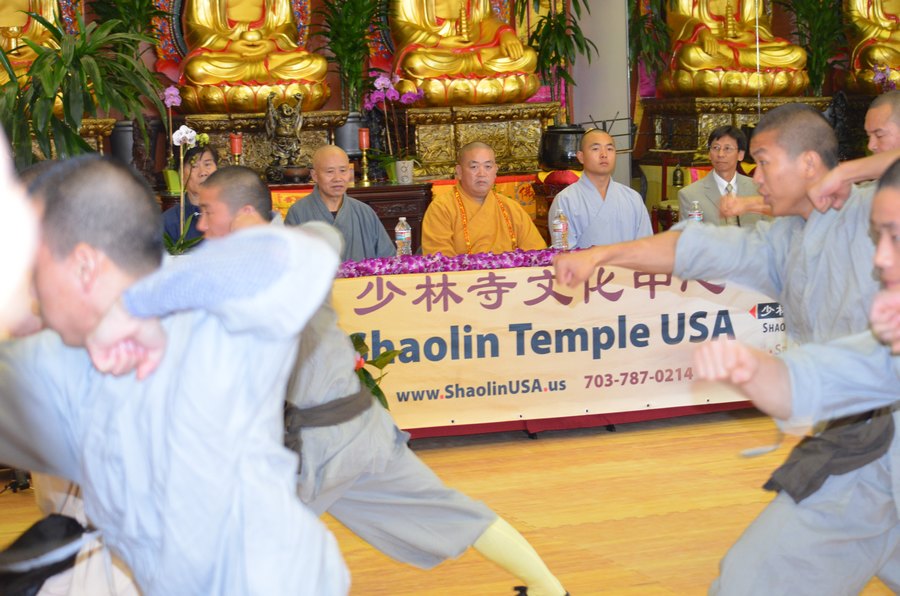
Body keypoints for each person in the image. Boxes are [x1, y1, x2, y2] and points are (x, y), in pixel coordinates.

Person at [554, 103, 886, 594]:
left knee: (755, 580)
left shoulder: (871, 210)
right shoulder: (783, 239)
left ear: (811, 165)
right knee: (752, 578)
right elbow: (698, 247)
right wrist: (603, 255)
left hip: (874, 428)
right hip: (861, 441)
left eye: (765, 161)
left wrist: (854, 170)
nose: (757, 176)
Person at [197, 165, 569, 595]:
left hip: (325, 444)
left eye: (208, 211)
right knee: (449, 513)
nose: (201, 223)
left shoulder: (284, 256)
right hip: (354, 436)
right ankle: (548, 588)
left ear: (243, 213)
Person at [0, 154, 349, 594]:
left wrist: (136, 305)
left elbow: (312, 247)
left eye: (28, 275)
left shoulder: (206, 309)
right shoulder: (57, 358)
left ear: (83, 265)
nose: (25, 299)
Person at [692, 157, 900, 593]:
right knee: (748, 579)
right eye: (877, 238)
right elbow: (835, 375)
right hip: (869, 466)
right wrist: (753, 369)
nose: (880, 259)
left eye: (895, 239)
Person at [391, 0, 539, 104]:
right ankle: (479, 70)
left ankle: (471, 69)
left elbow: (485, 20)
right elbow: (400, 26)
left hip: (475, 49)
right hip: (439, 54)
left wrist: (505, 33)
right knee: (415, 62)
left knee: (528, 56)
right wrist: (440, 41)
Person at [422, 142, 546, 255]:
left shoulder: (511, 208)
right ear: (459, 171)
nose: (482, 174)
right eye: (474, 167)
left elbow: (536, 254)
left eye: (488, 167)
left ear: (495, 170)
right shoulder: (441, 208)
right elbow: (440, 262)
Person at [661, 0, 807, 96]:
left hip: (742, 46)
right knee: (690, 55)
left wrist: (749, 34)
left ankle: (731, 56)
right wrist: (702, 33)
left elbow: (758, 21)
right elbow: (675, 18)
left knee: (797, 55)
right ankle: (735, 59)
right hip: (705, 46)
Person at [180, 0, 327, 88]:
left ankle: (262, 74)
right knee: (197, 69)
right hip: (228, 56)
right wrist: (230, 46)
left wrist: (271, 44)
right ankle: (266, 78)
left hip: (269, 54)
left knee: (316, 64)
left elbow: (287, 25)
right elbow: (196, 28)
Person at [285, 145, 395, 261]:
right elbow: (290, 264)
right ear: (315, 176)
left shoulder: (364, 212)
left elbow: (387, 260)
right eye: (330, 172)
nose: (338, 178)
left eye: (343, 171)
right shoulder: (298, 212)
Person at [548, 129, 652, 248]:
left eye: (609, 149)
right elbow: (564, 252)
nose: (604, 154)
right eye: (595, 149)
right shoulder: (565, 200)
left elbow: (645, 246)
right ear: (581, 157)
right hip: (584, 266)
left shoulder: (633, 198)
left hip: (627, 266)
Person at [677, 125, 769, 227]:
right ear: (709, 154)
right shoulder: (690, 195)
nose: (720, 154)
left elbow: (770, 232)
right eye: (716, 148)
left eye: (727, 148)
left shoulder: (759, 189)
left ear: (740, 155)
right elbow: (689, 238)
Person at [161, 143, 218, 247]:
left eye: (207, 164)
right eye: (194, 166)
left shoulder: (231, 212)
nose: (203, 172)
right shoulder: (169, 222)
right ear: (181, 175)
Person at [846, 0, 900, 93]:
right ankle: (884, 77)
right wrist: (887, 34)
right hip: (878, 44)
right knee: (873, 55)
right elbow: (854, 20)